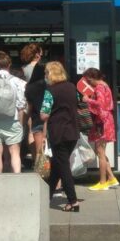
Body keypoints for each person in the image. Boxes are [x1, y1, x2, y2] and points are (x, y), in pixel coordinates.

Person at [41, 61, 80, 212]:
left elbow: (44, 114)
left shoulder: (50, 91)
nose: (45, 76)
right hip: (73, 131)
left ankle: (73, 201)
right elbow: (77, 102)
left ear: (50, 74)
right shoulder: (71, 87)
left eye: (46, 73)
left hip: (58, 132)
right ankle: (46, 196)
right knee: (58, 164)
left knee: (63, 167)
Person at [0, 52, 27, 173]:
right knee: (15, 152)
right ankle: (17, 178)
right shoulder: (19, 82)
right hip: (13, 120)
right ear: (9, 64)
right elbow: (21, 105)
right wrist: (21, 123)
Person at [82, 68, 119, 191]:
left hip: (101, 122)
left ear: (92, 78)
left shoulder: (99, 88)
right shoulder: (105, 85)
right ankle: (111, 178)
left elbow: (100, 103)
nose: (87, 83)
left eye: (88, 80)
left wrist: (88, 100)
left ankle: (103, 182)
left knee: (100, 153)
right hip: (106, 120)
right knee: (101, 152)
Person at [24, 62, 48, 169]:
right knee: (54, 152)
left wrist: (24, 120)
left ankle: (42, 175)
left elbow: (29, 107)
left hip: (37, 120)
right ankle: (57, 180)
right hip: (53, 121)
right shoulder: (52, 85)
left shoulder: (30, 87)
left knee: (40, 151)